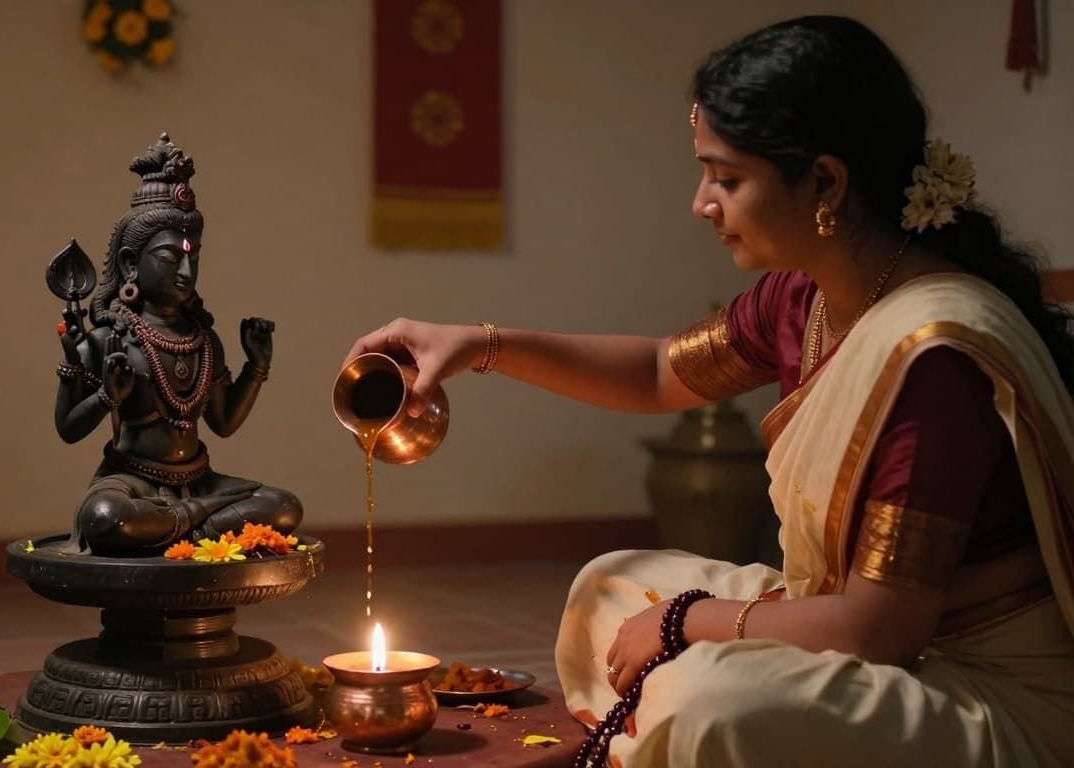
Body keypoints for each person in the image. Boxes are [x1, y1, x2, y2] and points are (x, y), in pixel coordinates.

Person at [343, 15, 1074, 767]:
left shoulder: (931, 357)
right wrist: (477, 344)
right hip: (864, 635)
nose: (702, 203)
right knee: (607, 589)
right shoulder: (805, 295)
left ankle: (680, 725)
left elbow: (875, 631)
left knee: (712, 705)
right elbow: (660, 372)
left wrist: (687, 622)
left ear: (825, 182)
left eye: (726, 178)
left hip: (976, 686)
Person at [55, 134, 302, 556]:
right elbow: (68, 429)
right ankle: (200, 524)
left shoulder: (203, 339)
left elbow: (223, 423)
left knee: (282, 507)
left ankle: (177, 526)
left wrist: (256, 366)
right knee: (105, 518)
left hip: (199, 478)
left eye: (194, 256)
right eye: (171, 258)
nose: (187, 269)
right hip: (131, 483)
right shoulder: (107, 340)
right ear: (131, 263)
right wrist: (106, 397)